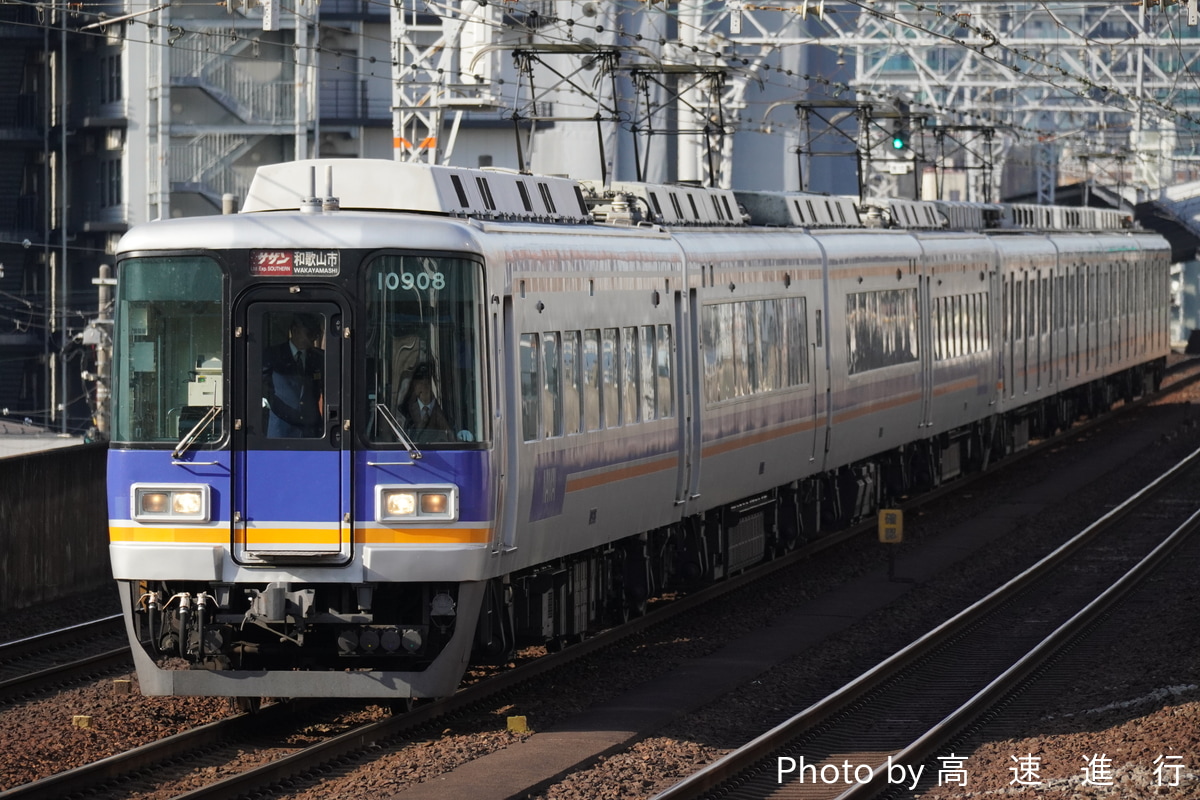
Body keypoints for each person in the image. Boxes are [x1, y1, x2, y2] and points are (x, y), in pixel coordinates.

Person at [263, 313, 325, 438]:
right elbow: (260, 387)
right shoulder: (272, 355)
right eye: (309, 333)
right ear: (295, 331)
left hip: (311, 431)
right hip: (281, 429)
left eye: (316, 334)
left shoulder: (319, 358)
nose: (313, 338)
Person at [400, 362, 472, 442]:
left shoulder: (451, 409)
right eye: (420, 383)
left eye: (427, 383)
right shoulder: (405, 411)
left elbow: (457, 437)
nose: (424, 387)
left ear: (435, 385)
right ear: (414, 386)